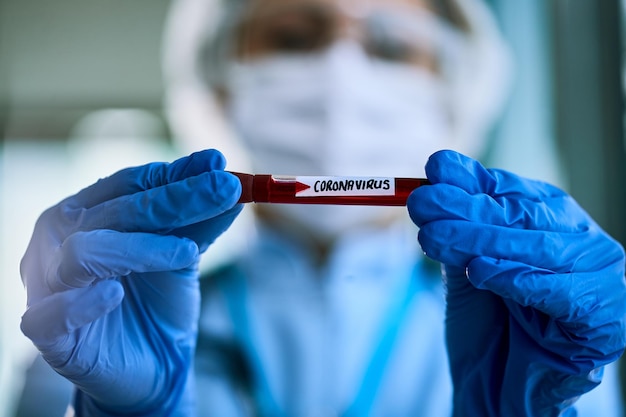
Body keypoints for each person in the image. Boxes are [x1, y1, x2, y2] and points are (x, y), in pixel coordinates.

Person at [17, 0, 626, 416]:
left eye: (389, 45)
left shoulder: (532, 339)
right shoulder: (98, 331)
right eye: (293, 38)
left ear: (454, 88)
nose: (342, 71)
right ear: (219, 76)